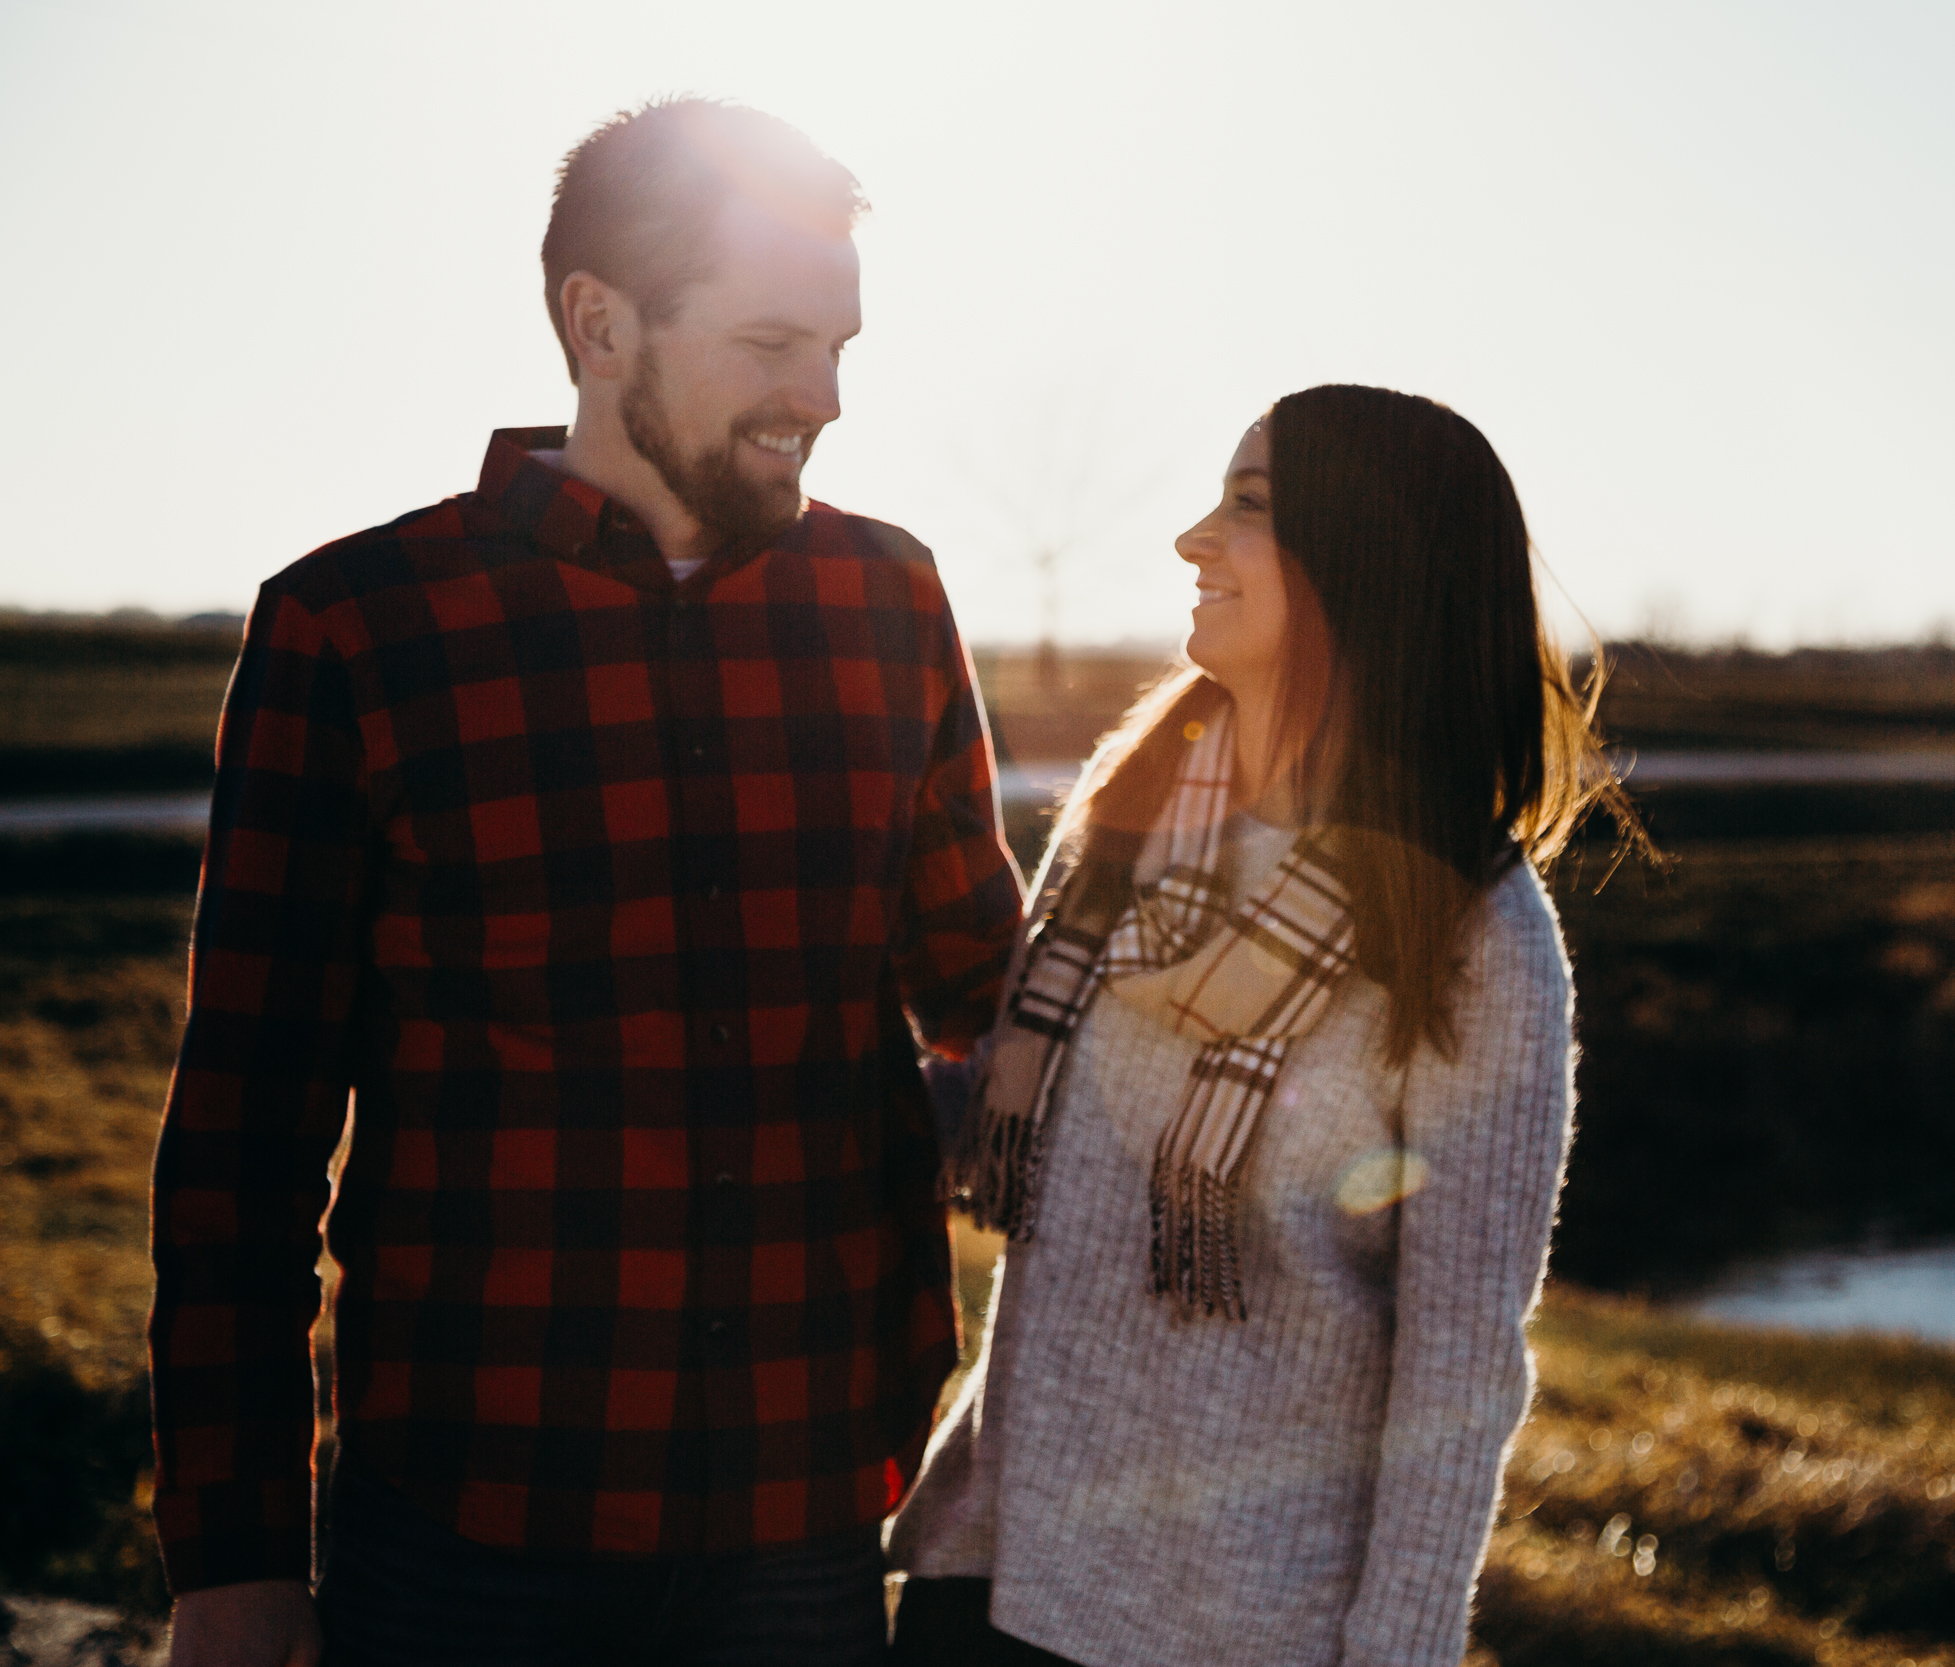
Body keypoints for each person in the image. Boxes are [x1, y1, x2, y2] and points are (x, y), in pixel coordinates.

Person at [148, 98, 1025, 1667]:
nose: (820, 398)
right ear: (599, 321)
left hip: (812, 1521)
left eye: (840, 346)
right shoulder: (355, 628)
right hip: (468, 1532)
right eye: (772, 341)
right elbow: (245, 1131)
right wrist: (232, 1554)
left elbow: (993, 995)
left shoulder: (889, 597)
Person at [887, 384, 1631, 1667]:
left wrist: (1395, 1650)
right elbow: (1045, 1178)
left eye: (1246, 506)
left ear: (1365, 561)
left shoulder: (1469, 935)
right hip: (997, 1573)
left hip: (1239, 1628)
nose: (1193, 539)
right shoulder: (1122, 820)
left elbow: (1455, 1369)